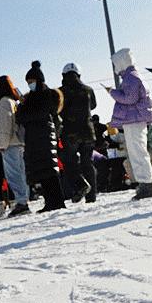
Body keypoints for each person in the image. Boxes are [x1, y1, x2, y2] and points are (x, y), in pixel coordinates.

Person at [107, 48, 152, 200]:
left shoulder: (131, 78)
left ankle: (146, 185)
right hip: (135, 118)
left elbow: (130, 98)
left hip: (134, 119)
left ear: (121, 62)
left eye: (116, 64)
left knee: (137, 151)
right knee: (138, 151)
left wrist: (112, 92)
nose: (115, 68)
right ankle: (146, 184)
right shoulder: (133, 77)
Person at [16, 61, 66, 212]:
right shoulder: (31, 97)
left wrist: (25, 110)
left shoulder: (45, 94)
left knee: (49, 170)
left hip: (43, 135)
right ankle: (50, 201)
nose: (30, 84)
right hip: (35, 137)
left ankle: (57, 201)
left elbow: (38, 114)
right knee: (42, 170)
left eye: (31, 81)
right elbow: (22, 116)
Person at [58, 63, 98, 204]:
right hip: (88, 131)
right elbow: (93, 105)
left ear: (63, 75)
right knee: (88, 162)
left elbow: (57, 110)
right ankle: (91, 196)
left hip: (70, 132)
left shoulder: (60, 91)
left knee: (69, 162)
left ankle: (80, 185)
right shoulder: (88, 89)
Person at [0, 75, 30, 217]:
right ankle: (24, 199)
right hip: (19, 142)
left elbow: (3, 126)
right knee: (21, 173)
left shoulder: (3, 103)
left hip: (10, 144)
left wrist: (1, 144)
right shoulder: (13, 101)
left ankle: (21, 202)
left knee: (13, 174)